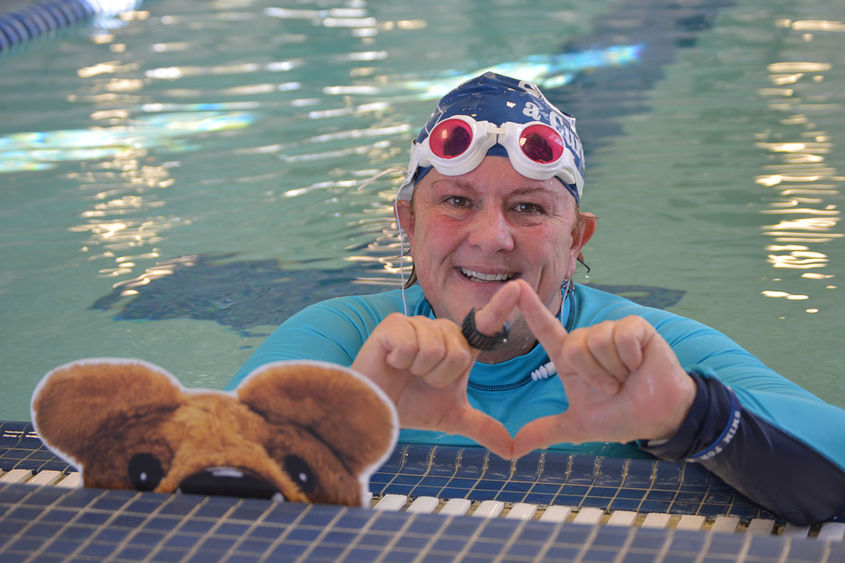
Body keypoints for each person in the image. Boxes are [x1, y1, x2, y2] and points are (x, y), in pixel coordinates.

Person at [227, 72, 845, 524]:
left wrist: (690, 418)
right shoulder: (342, 340)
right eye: (457, 201)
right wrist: (343, 422)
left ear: (575, 238)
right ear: (408, 225)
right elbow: (193, 501)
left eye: (528, 208)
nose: (492, 239)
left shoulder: (648, 352)